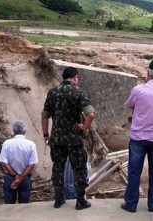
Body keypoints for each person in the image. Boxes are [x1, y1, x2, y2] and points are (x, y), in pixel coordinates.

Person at [121, 59, 153, 213]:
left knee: (134, 171)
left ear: (148, 73)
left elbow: (129, 105)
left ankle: (131, 204)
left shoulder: (138, 90)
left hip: (139, 137)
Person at [41, 66, 95, 210]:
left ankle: (59, 199)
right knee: (79, 169)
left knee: (57, 168)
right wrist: (84, 127)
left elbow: (44, 116)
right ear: (75, 77)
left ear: (63, 77)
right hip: (74, 140)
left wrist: (46, 135)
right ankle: (80, 201)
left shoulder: (52, 93)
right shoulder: (79, 92)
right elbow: (90, 114)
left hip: (57, 139)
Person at [0, 120, 38, 204]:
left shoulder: (7, 143)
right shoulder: (31, 145)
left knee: (8, 205)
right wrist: (21, 177)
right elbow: (32, 164)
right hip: (25, 179)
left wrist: (15, 176)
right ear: (25, 131)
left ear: (13, 131)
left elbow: (4, 162)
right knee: (24, 206)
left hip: (10, 177)